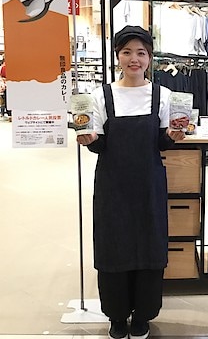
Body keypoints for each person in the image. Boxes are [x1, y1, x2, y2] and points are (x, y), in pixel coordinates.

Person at [76, 25, 185, 339]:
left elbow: (162, 141)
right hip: (112, 185)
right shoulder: (101, 95)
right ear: (117, 56)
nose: (134, 59)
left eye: (141, 52)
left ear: (149, 58)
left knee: (149, 246)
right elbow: (99, 143)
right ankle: (116, 315)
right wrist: (89, 140)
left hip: (149, 184)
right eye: (127, 52)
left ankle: (143, 315)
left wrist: (173, 136)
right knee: (113, 246)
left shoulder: (163, 95)